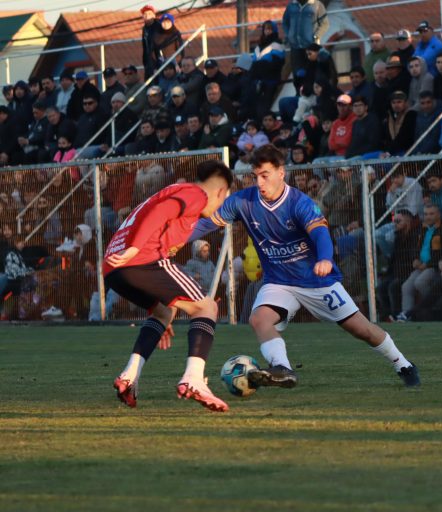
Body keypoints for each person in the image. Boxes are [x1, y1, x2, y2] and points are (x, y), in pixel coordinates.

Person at [193, 144, 421, 387]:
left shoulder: (299, 203)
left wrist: (325, 258)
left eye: (265, 175)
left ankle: (403, 364)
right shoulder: (243, 201)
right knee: (259, 319)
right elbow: (206, 225)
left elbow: (321, 233)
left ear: (281, 173)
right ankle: (283, 369)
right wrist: (172, 240)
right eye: (255, 176)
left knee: (362, 330)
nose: (259, 182)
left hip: (316, 281)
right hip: (279, 281)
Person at [105, 160, 233, 411]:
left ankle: (129, 377)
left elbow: (156, 214)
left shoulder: (174, 192)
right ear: (220, 192)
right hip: (142, 259)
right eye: (224, 198)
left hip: (113, 270)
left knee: (165, 311)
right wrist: (135, 248)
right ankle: (194, 379)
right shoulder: (195, 193)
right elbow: (160, 212)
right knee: (206, 308)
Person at [140, 5, 160, 78]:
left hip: (158, 60)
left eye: (149, 14)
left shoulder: (159, 26)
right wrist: (145, 61)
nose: (147, 16)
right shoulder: (145, 29)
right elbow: (145, 46)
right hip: (149, 61)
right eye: (145, 14)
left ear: (154, 15)